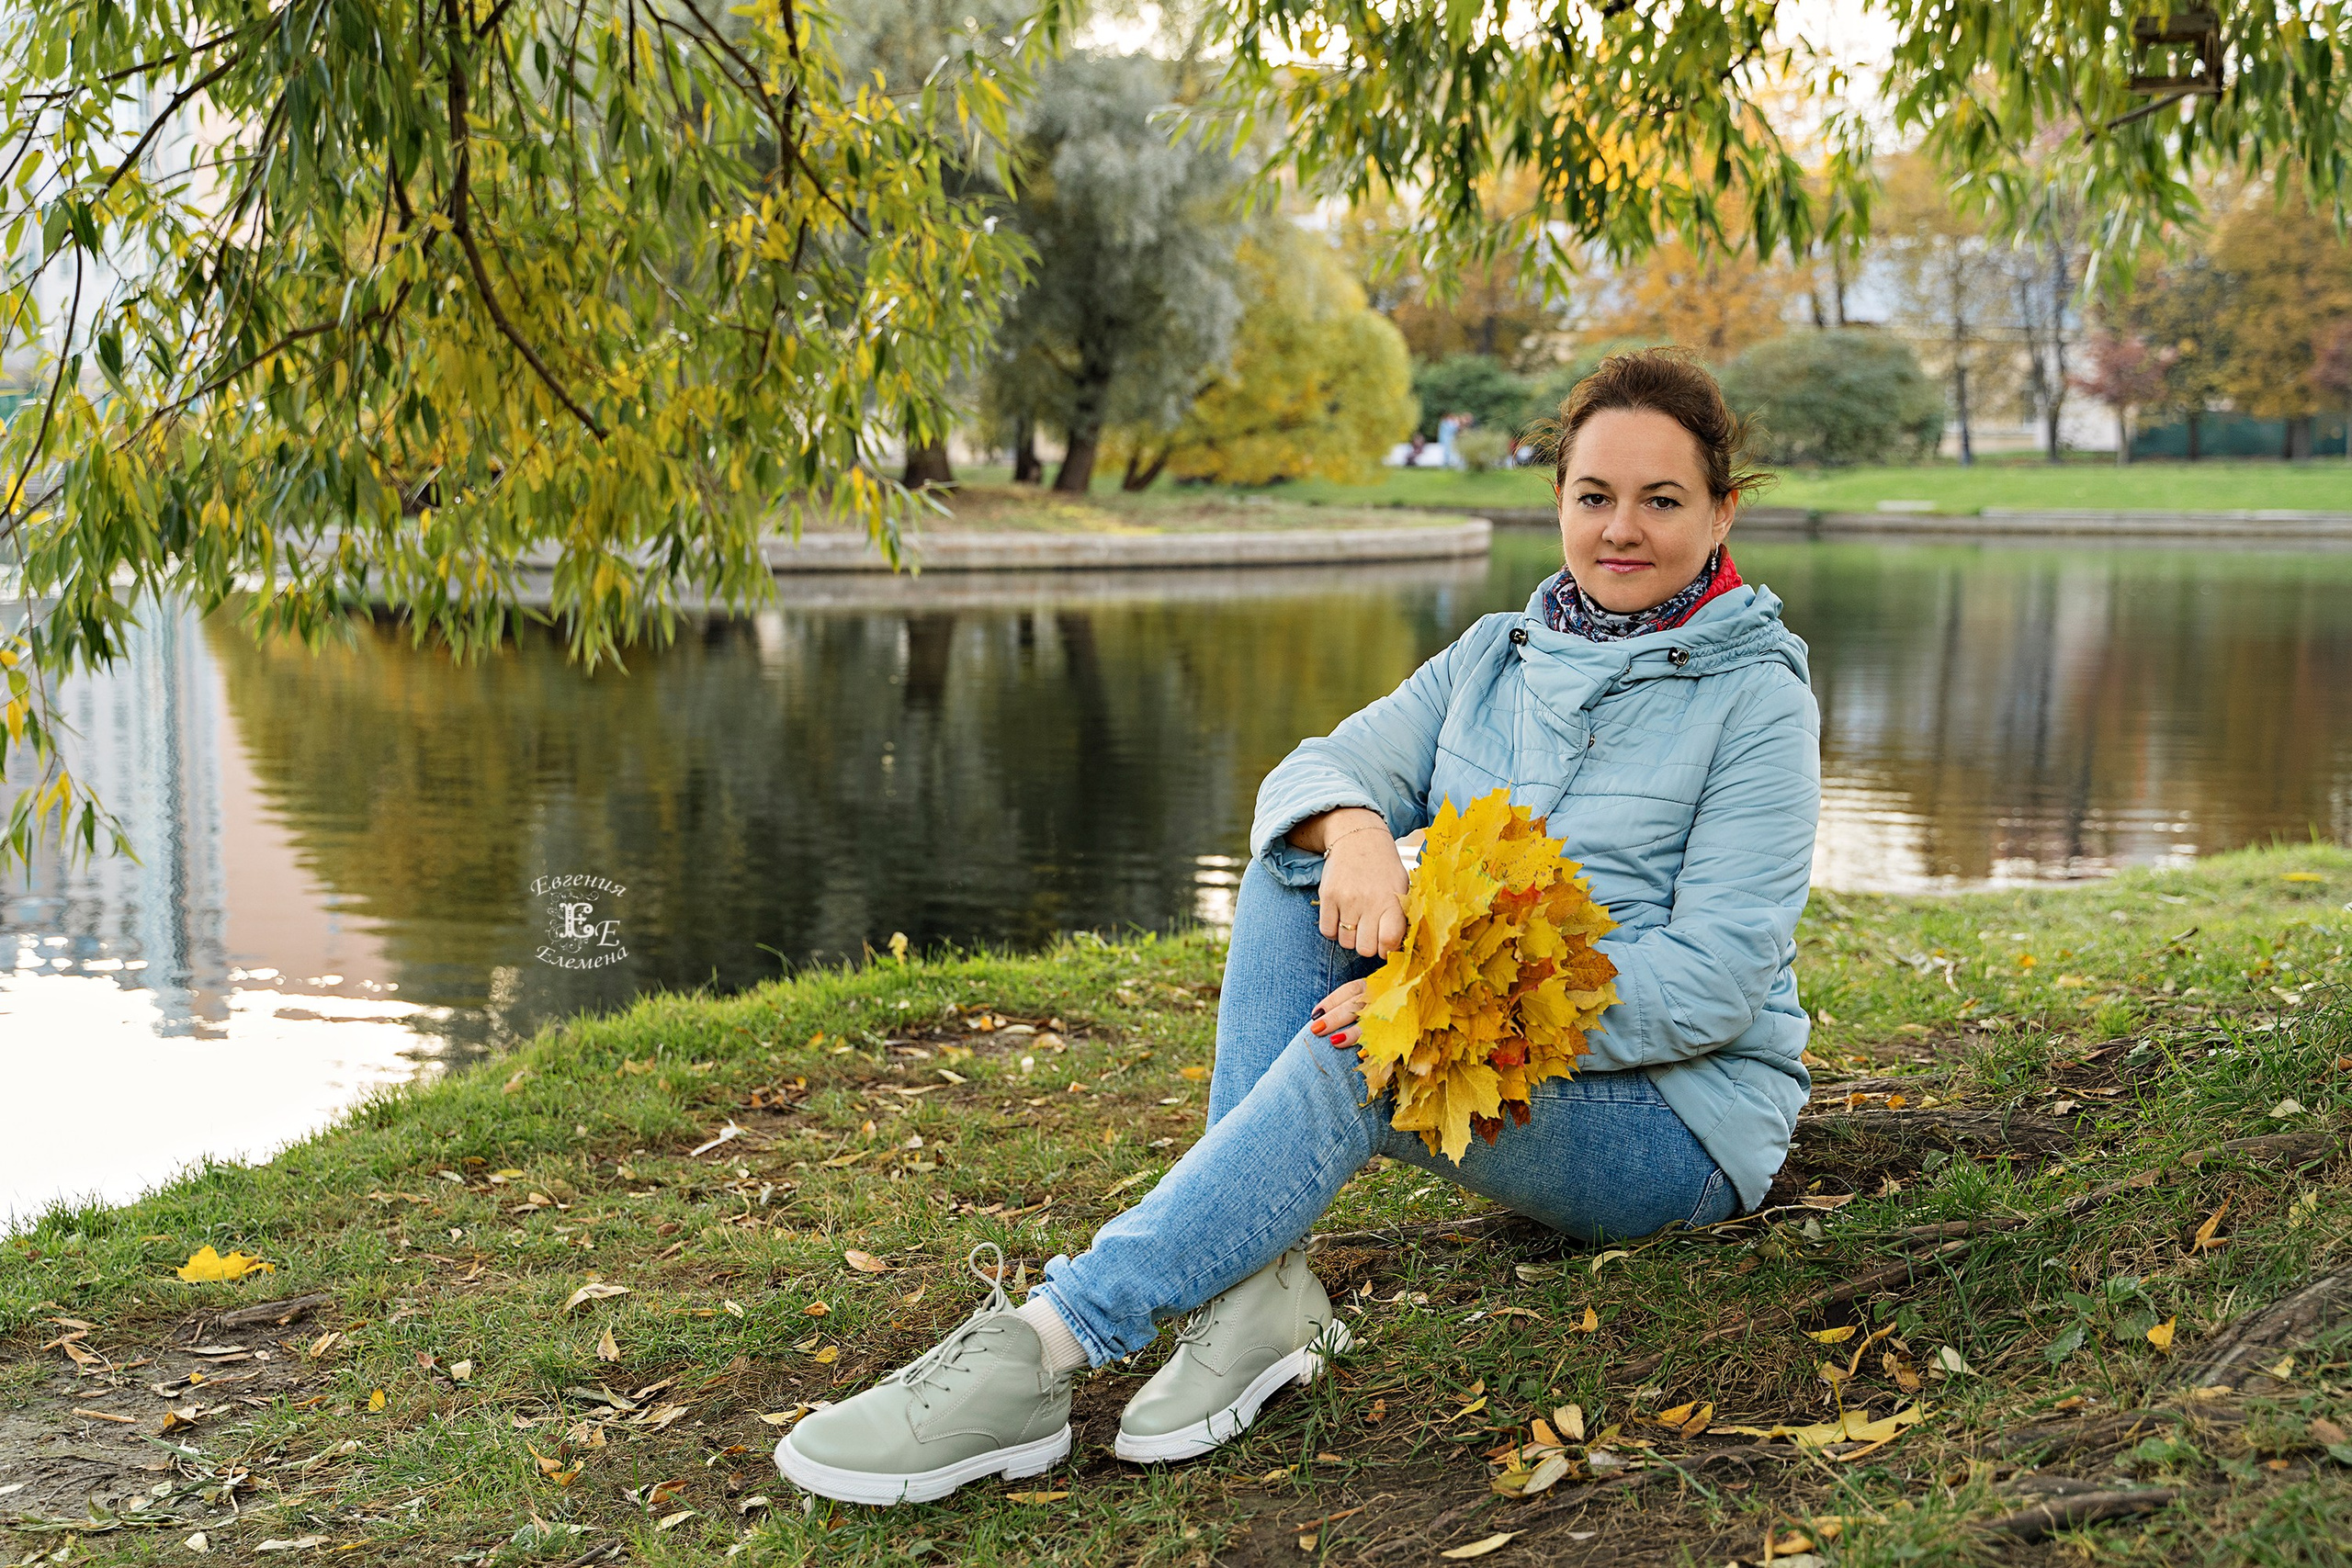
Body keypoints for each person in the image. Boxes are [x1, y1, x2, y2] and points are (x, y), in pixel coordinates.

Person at [775, 347, 1822, 1507]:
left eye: (1661, 501)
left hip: (1680, 1120)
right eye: (1595, 496)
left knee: (1362, 1052)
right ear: (1559, 502)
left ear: (1720, 511)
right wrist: (1364, 834)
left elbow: (1717, 979)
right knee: (1297, 868)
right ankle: (1254, 1296)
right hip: (1506, 1048)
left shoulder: (1758, 699)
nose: (1622, 529)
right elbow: (1318, 768)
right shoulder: (1495, 656)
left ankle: (1045, 1347)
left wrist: (1441, 1008)